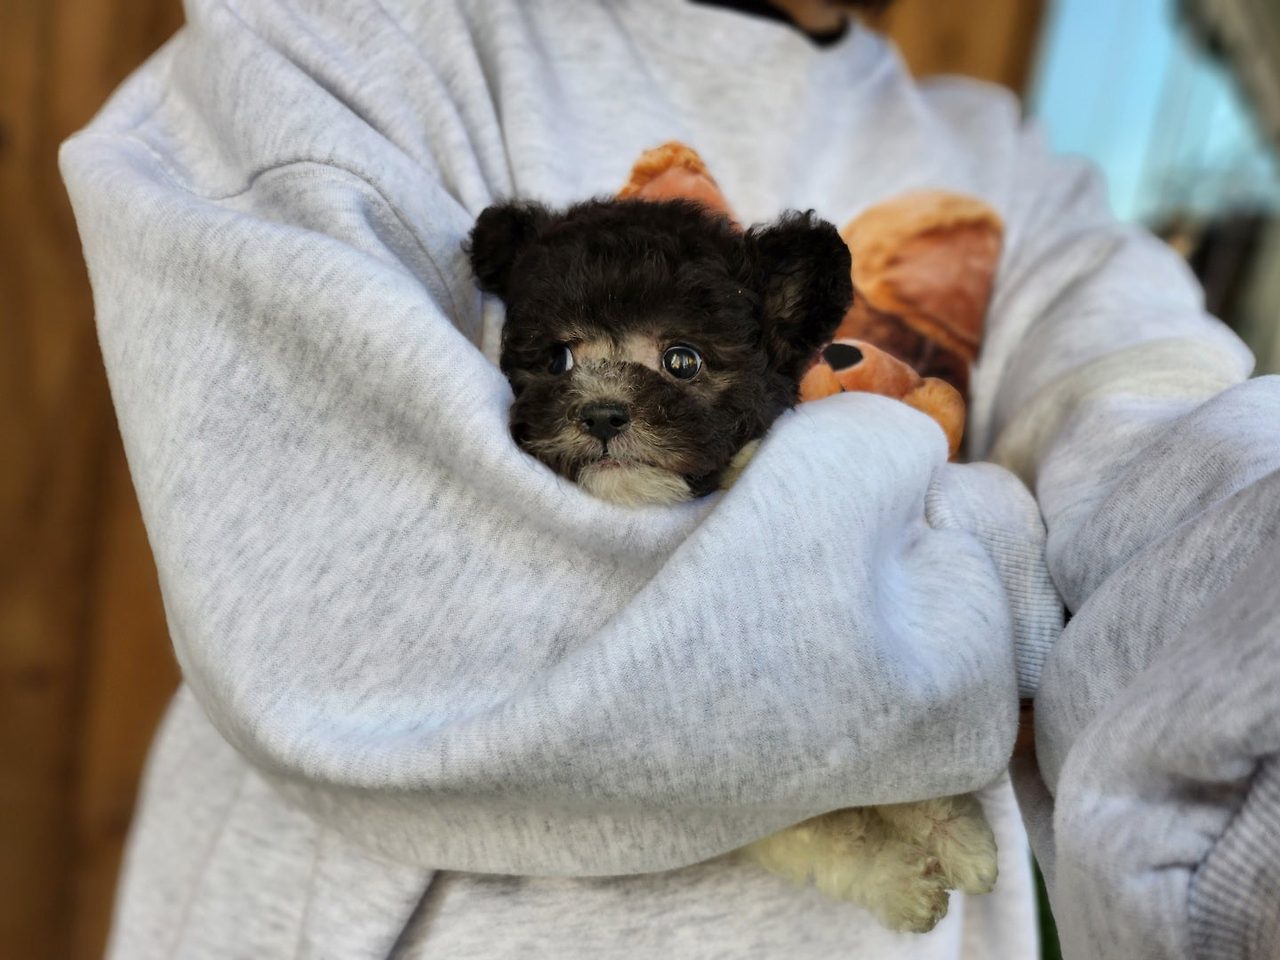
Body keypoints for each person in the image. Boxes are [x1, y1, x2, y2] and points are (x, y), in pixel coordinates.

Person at [61, 0, 1279, 957]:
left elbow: (1186, 480)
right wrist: (1013, 589)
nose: (606, 398)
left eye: (675, 362)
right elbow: (367, 633)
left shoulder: (1011, 166)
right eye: (561, 359)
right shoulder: (337, 39)